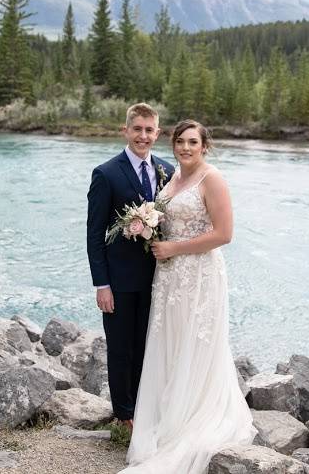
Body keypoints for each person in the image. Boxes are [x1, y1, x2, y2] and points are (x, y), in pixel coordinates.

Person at [121, 120, 255, 474]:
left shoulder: (212, 179)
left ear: (204, 146)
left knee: (196, 343)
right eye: (180, 141)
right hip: (169, 277)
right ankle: (168, 418)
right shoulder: (170, 179)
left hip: (199, 275)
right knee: (170, 341)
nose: (185, 147)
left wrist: (174, 248)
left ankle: (192, 419)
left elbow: (224, 234)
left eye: (192, 142)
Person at [87, 103, 175, 429]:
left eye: (149, 130)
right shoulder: (106, 173)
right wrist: (102, 285)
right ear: (126, 130)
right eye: (137, 129)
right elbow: (94, 234)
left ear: (158, 133)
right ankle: (124, 415)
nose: (143, 135)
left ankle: (145, 407)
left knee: (147, 347)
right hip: (119, 282)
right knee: (120, 349)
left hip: (157, 279)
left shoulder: (167, 171)